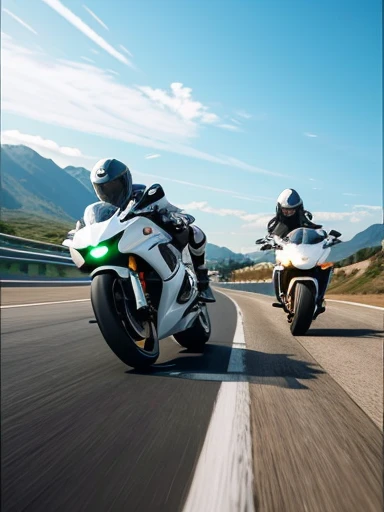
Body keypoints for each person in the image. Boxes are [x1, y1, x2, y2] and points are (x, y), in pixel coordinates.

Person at [72, 157, 215, 303]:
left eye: (113, 186)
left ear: (125, 181)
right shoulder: (101, 210)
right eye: (103, 188)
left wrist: (173, 215)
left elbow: (165, 204)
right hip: (122, 244)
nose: (109, 192)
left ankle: (201, 276)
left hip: (148, 236)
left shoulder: (141, 194)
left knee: (195, 232)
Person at [265, 188, 328, 314]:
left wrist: (323, 237)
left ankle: (319, 298)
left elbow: (314, 230)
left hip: (305, 253)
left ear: (298, 208)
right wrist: (268, 241)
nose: (288, 212)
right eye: (285, 209)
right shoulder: (275, 225)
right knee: (279, 267)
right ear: (279, 208)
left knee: (323, 267)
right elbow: (270, 236)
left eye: (291, 209)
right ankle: (282, 295)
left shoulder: (304, 221)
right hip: (286, 253)